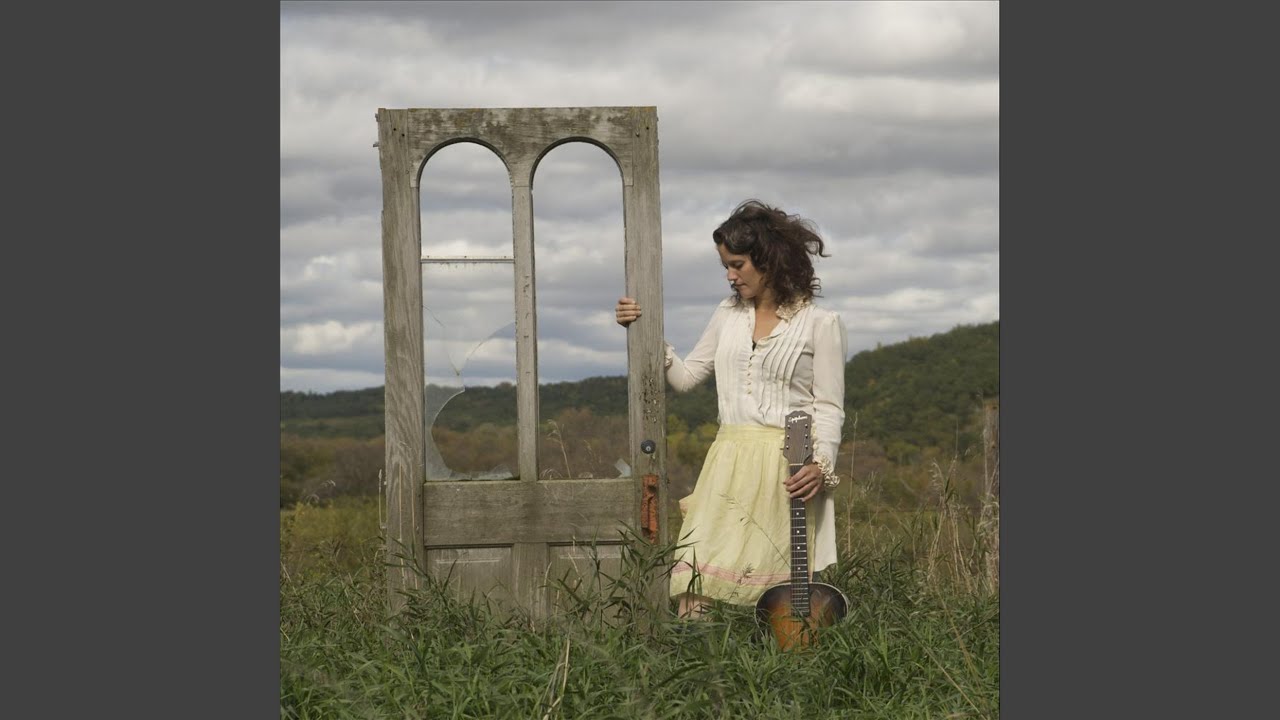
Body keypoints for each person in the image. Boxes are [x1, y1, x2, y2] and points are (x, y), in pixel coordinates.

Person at [615, 199, 847, 618]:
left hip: (786, 468)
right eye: (726, 265)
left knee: (779, 593)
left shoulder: (820, 323)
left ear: (770, 260)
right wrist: (642, 329)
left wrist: (821, 465)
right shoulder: (727, 314)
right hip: (726, 461)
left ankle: (775, 657)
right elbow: (686, 377)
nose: (730, 275)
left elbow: (829, 407)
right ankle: (696, 659)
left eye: (737, 264)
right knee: (695, 579)